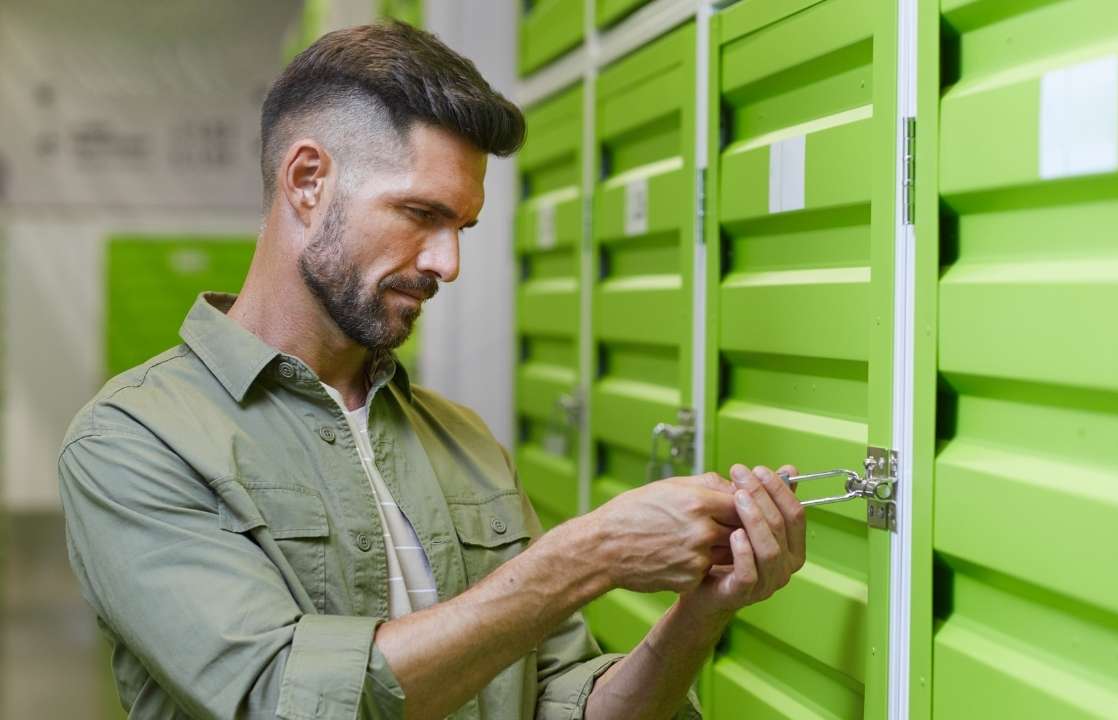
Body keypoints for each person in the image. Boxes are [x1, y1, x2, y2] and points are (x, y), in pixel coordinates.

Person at [57, 21, 806, 720]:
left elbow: (564, 700)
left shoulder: (463, 442)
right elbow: (281, 695)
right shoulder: (136, 441)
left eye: (462, 228)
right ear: (308, 180)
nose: (448, 264)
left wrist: (698, 616)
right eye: (420, 214)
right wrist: (589, 553)